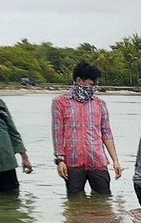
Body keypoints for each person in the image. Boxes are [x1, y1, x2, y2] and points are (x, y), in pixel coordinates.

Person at [51, 61, 122, 196]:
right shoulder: (60, 103)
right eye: (91, 84)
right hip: (72, 162)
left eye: (96, 84)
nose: (94, 87)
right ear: (79, 80)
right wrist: (60, 161)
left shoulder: (100, 104)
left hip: (97, 160)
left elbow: (106, 133)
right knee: (75, 204)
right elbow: (57, 134)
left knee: (104, 200)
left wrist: (115, 161)